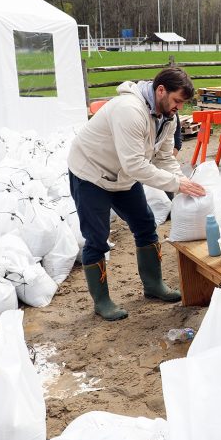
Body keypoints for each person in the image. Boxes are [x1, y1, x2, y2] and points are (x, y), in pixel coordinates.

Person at [68, 67, 207, 321]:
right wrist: (176, 185)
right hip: (91, 174)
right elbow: (135, 164)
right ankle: (102, 301)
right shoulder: (129, 110)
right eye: (177, 101)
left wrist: (183, 180)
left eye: (183, 103)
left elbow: (165, 158)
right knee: (97, 238)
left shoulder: (168, 118)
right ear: (160, 90)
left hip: (124, 176)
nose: (179, 108)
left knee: (145, 225)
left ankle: (153, 285)